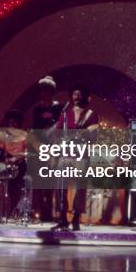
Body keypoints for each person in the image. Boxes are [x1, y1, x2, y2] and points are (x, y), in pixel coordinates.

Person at [52, 84, 99, 231]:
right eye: (74, 94)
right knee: (60, 186)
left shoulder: (91, 114)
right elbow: (57, 132)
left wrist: (82, 137)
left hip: (81, 155)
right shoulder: (65, 114)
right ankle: (63, 219)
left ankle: (77, 218)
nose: (76, 97)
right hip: (65, 154)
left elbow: (93, 137)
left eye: (79, 94)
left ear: (84, 96)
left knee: (80, 187)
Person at [31, 75, 62, 221]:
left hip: (54, 149)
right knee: (38, 182)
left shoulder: (59, 108)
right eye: (42, 91)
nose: (44, 93)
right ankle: (39, 212)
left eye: (47, 90)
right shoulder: (37, 109)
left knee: (50, 182)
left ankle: (50, 213)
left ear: (52, 92)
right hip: (39, 149)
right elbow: (34, 130)